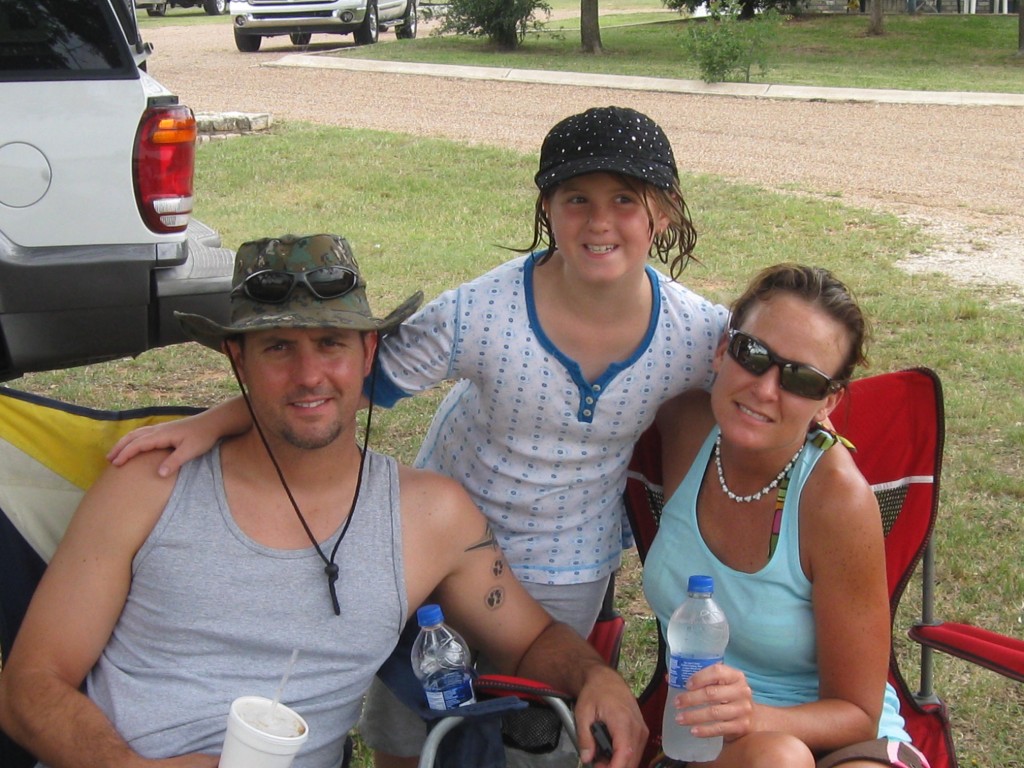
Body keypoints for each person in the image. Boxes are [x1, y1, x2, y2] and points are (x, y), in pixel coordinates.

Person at [106, 106, 730, 767]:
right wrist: (217, 420)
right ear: (547, 208)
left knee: (533, 731)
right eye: (577, 198)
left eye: (625, 200)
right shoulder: (485, 312)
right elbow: (342, 387)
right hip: (435, 545)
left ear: (663, 212)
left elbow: (768, 386)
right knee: (412, 718)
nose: (600, 221)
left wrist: (823, 425)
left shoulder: (694, 334)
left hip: (568, 558)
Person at [0, 234, 647, 768]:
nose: (309, 375)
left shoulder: (429, 518)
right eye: (279, 347)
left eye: (331, 344)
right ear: (238, 360)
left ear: (368, 353)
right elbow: (29, 687)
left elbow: (531, 638)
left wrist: (594, 677)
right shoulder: (151, 484)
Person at [644, 264, 929, 768]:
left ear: (829, 402)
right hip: (708, 745)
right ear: (722, 349)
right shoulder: (685, 428)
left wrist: (757, 716)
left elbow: (858, 713)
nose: (765, 389)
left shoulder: (836, 500)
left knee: (781, 756)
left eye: (802, 378)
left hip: (843, 741)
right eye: (753, 354)